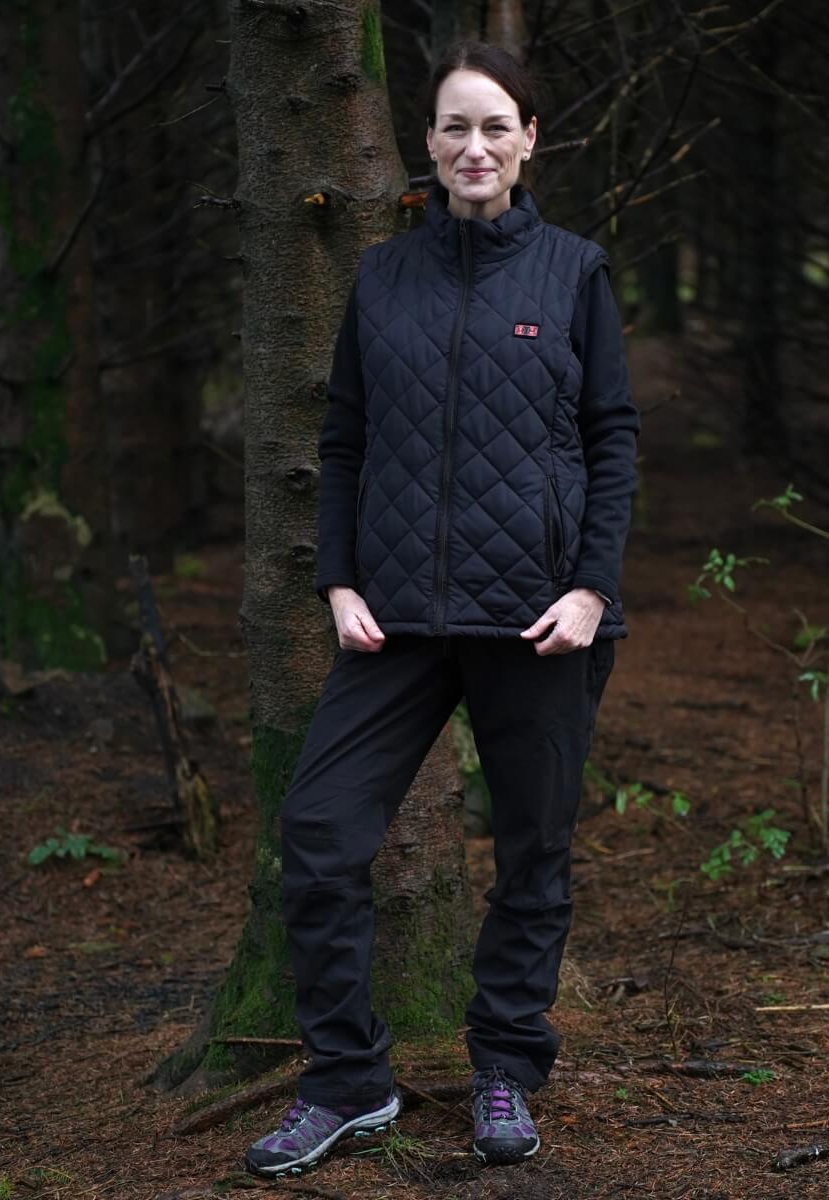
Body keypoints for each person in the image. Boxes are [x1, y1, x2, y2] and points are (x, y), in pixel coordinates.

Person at [244, 40, 640, 1178]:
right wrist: (338, 578)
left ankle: (505, 1071)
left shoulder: (573, 271)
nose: (475, 146)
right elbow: (343, 440)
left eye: (495, 126)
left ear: (528, 142)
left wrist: (591, 588)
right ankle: (347, 1082)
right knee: (320, 834)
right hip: (399, 620)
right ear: (426, 142)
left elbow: (612, 439)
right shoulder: (381, 277)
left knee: (533, 854)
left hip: (539, 620)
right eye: (455, 127)